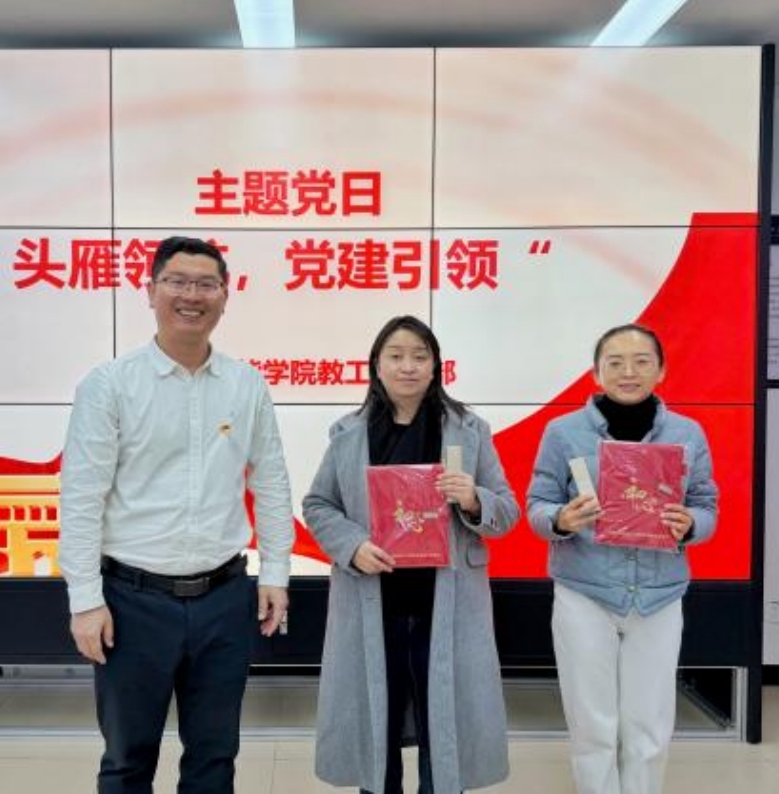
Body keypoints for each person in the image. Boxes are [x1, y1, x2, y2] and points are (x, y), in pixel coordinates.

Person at [58, 236, 294, 794]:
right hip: (131, 602)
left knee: (215, 756)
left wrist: (276, 573)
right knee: (127, 759)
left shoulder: (246, 384)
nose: (192, 296)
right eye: (178, 282)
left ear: (225, 296)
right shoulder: (110, 385)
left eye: (206, 284)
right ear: (151, 291)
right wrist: (85, 601)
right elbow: (82, 498)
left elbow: (271, 482)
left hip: (224, 599)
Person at [303, 314, 518, 794]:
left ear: (436, 366)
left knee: (444, 728)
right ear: (376, 365)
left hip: (446, 604)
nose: (408, 367)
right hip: (372, 599)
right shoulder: (349, 434)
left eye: (420, 356)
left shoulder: (469, 431)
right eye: (396, 356)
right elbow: (318, 504)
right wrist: (351, 545)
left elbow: (507, 511)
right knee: (375, 723)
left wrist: (474, 499)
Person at [526, 323, 719, 794]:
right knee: (592, 722)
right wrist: (561, 519)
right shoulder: (563, 432)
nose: (628, 372)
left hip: (658, 595)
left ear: (661, 370)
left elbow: (707, 506)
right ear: (596, 373)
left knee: (649, 723)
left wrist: (691, 524)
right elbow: (537, 505)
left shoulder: (688, 433)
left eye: (641, 361)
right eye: (614, 363)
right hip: (584, 592)